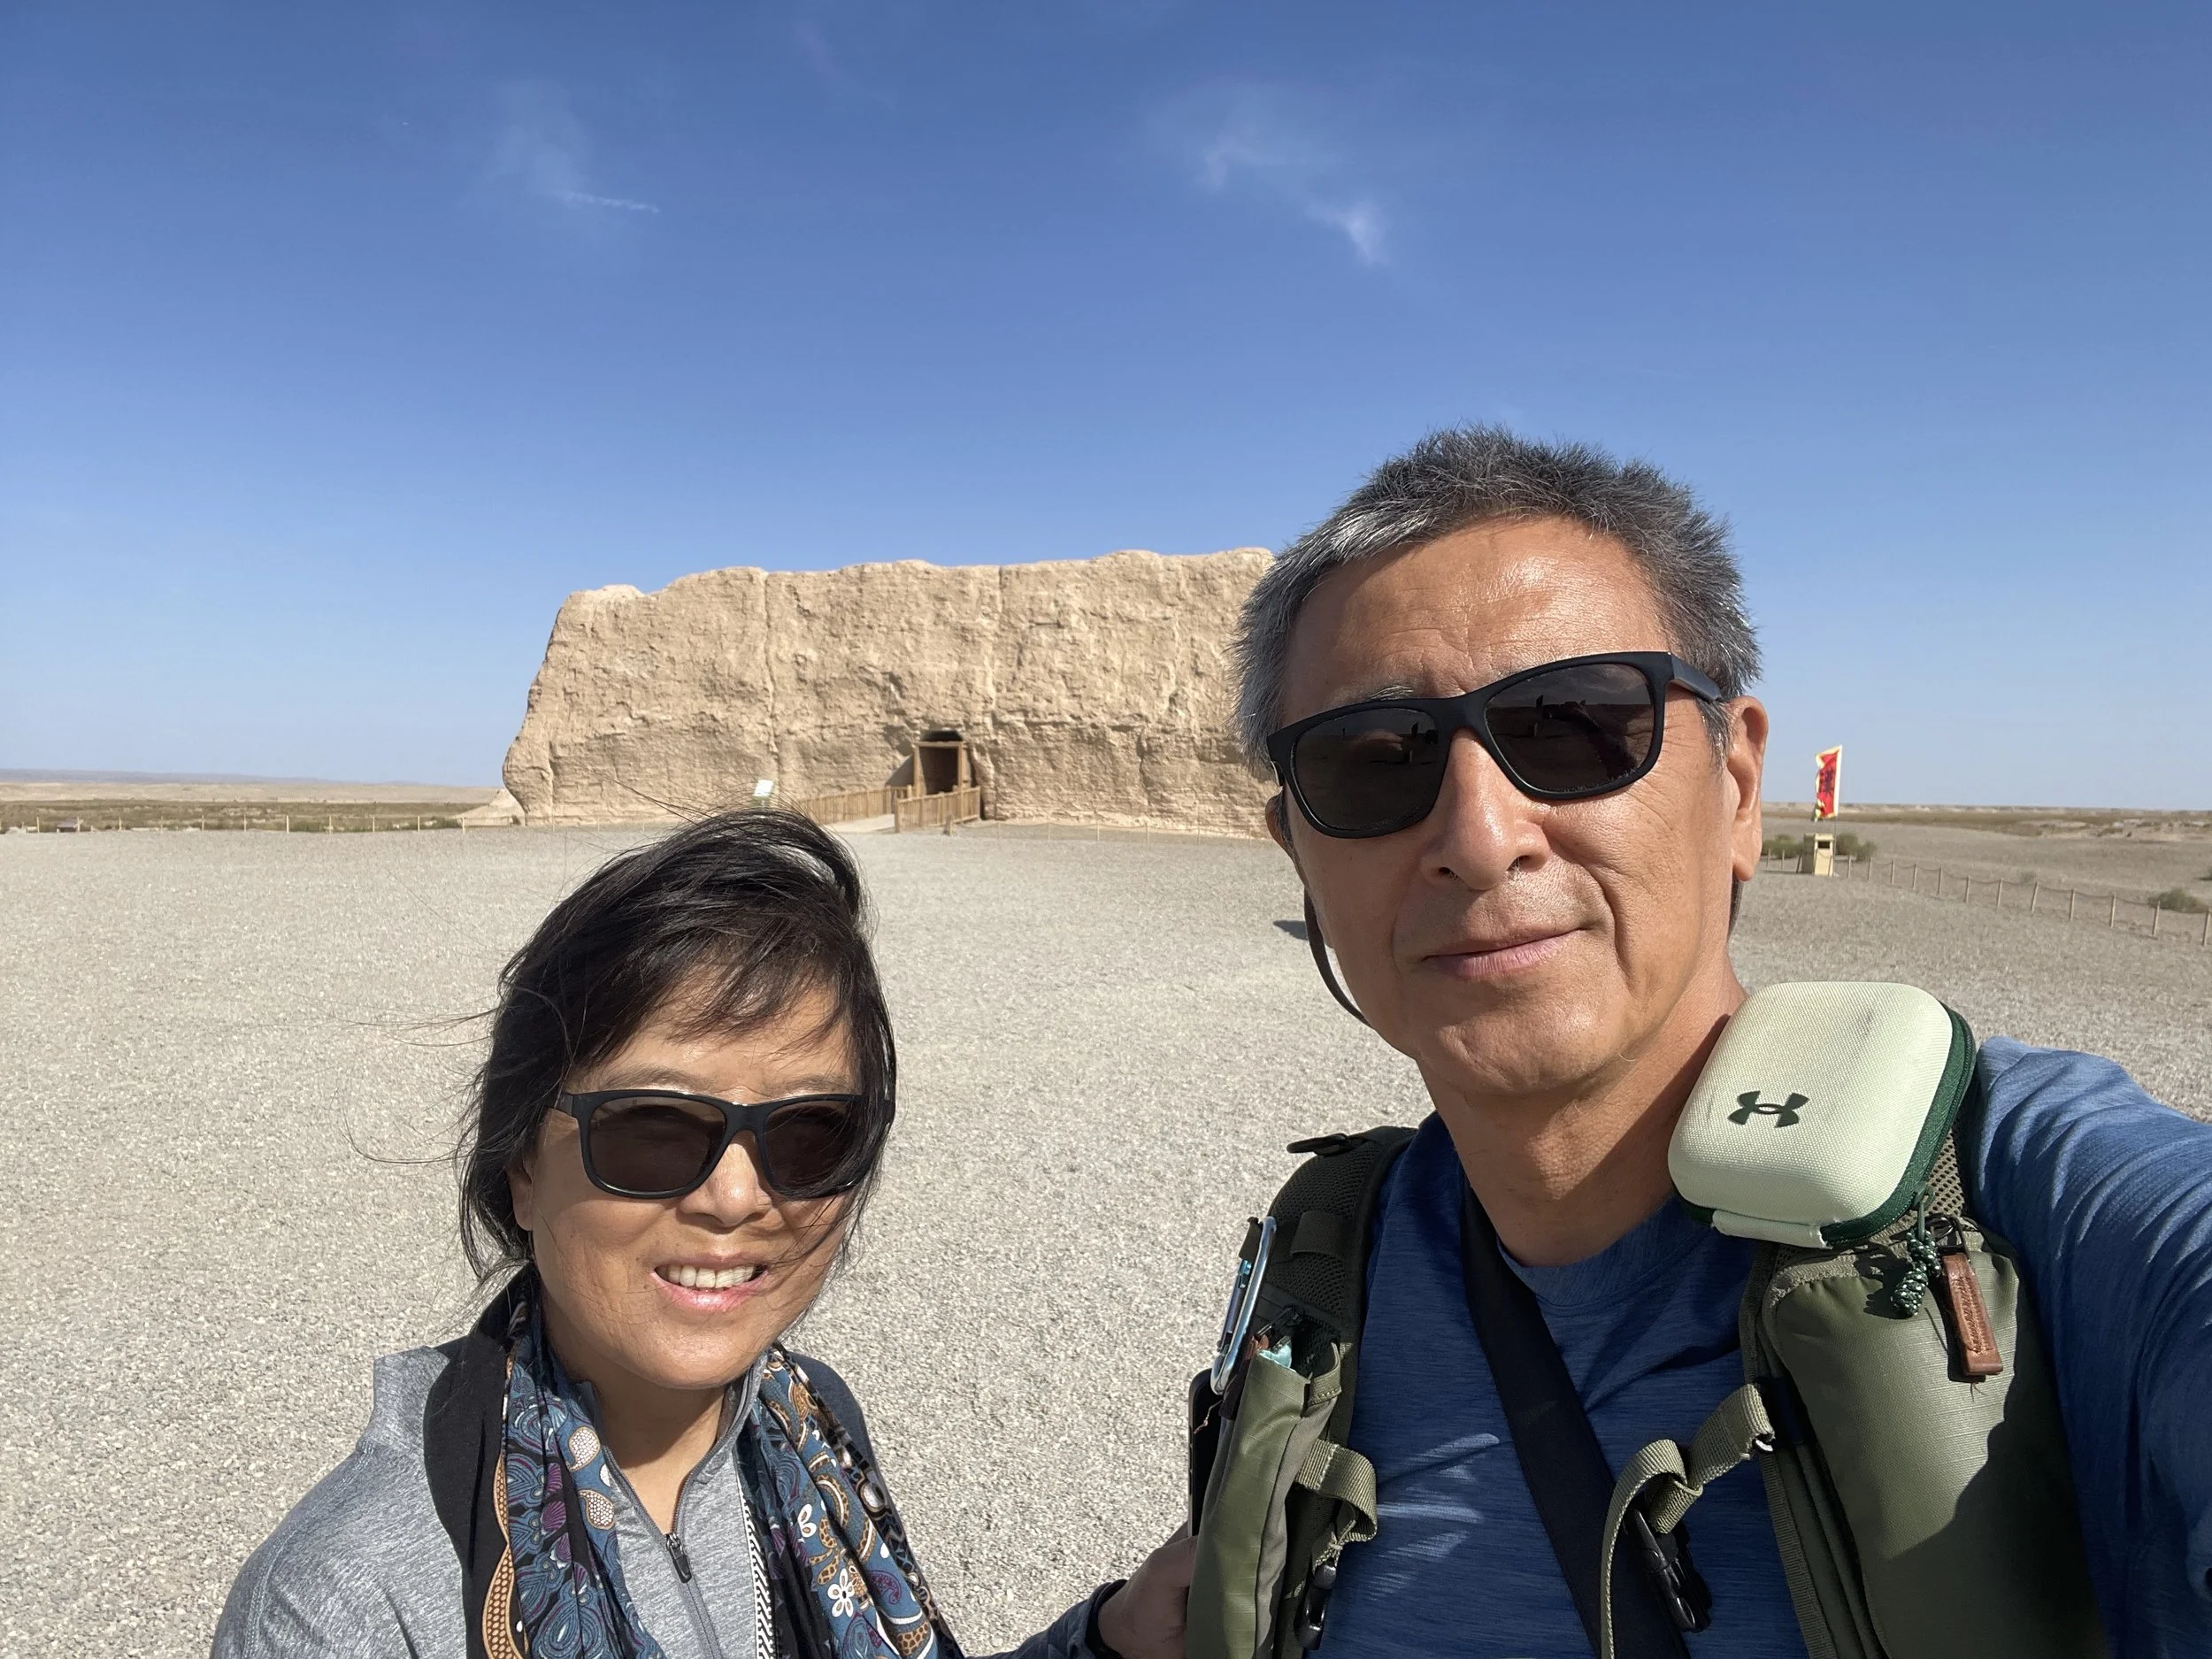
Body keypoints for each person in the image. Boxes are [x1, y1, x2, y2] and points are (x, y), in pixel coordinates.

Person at [1227, 426, 2212, 1655]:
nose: (1480, 838)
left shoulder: (2024, 1201)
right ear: (1297, 851)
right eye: (1375, 762)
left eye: (1572, 725)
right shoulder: (1331, 1276)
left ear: (1738, 787)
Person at [213, 810, 1190, 1659]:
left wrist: (1108, 1641)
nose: (735, 1197)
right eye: (651, 1129)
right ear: (521, 1167)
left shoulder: (806, 1418)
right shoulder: (347, 1602)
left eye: (811, 1134)